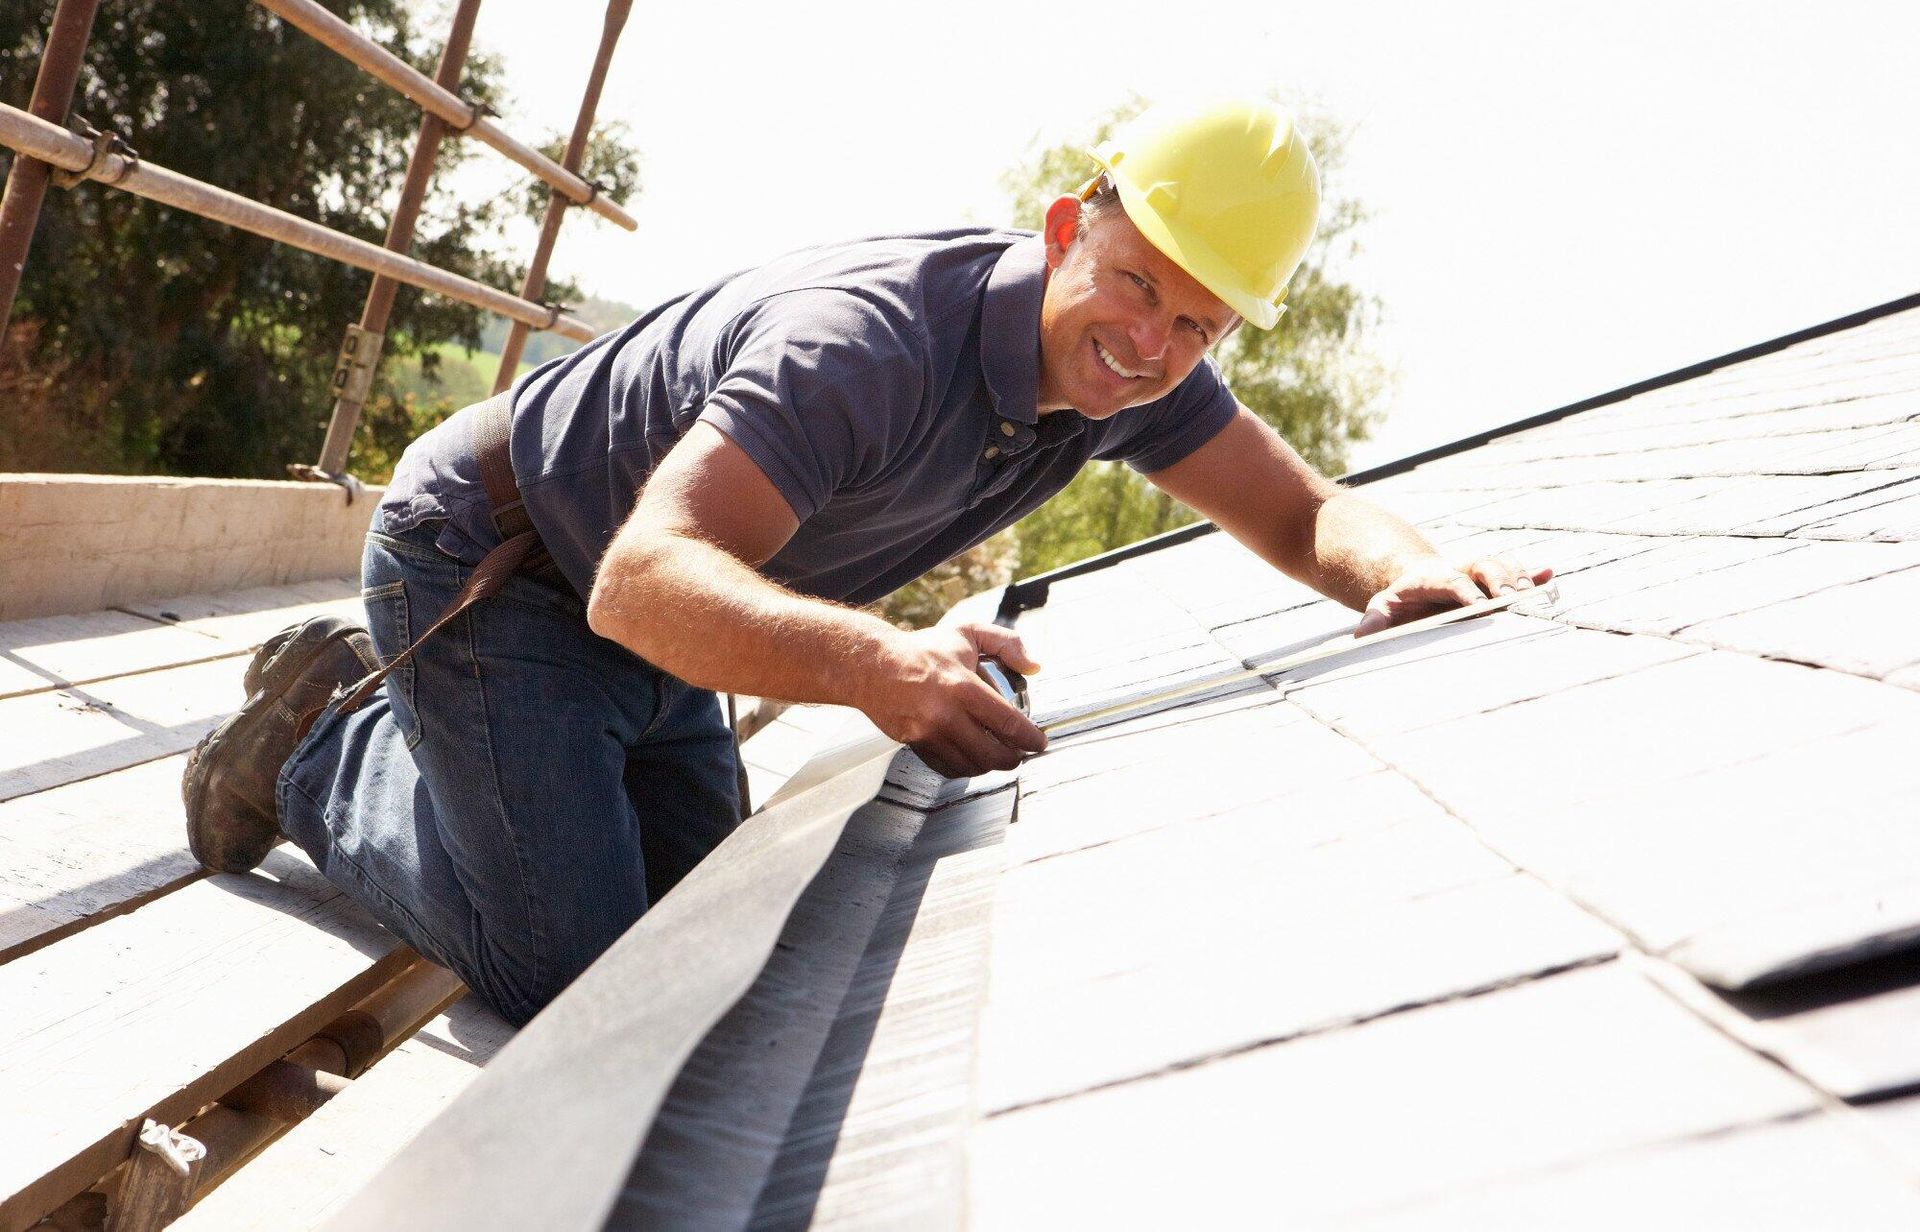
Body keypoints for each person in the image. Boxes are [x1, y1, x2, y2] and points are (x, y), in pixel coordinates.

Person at [182, 99, 1545, 1026]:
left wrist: (1410, 574)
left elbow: (1306, 519)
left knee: (705, 949)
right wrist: (879, 661)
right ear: (1072, 226)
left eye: (1198, 323)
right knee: (580, 979)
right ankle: (317, 741)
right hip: (503, 568)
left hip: (663, 623)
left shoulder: (1132, 377)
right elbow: (642, 579)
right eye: (1137, 285)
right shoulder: (871, 347)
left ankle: (435, 750)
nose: (1152, 346)